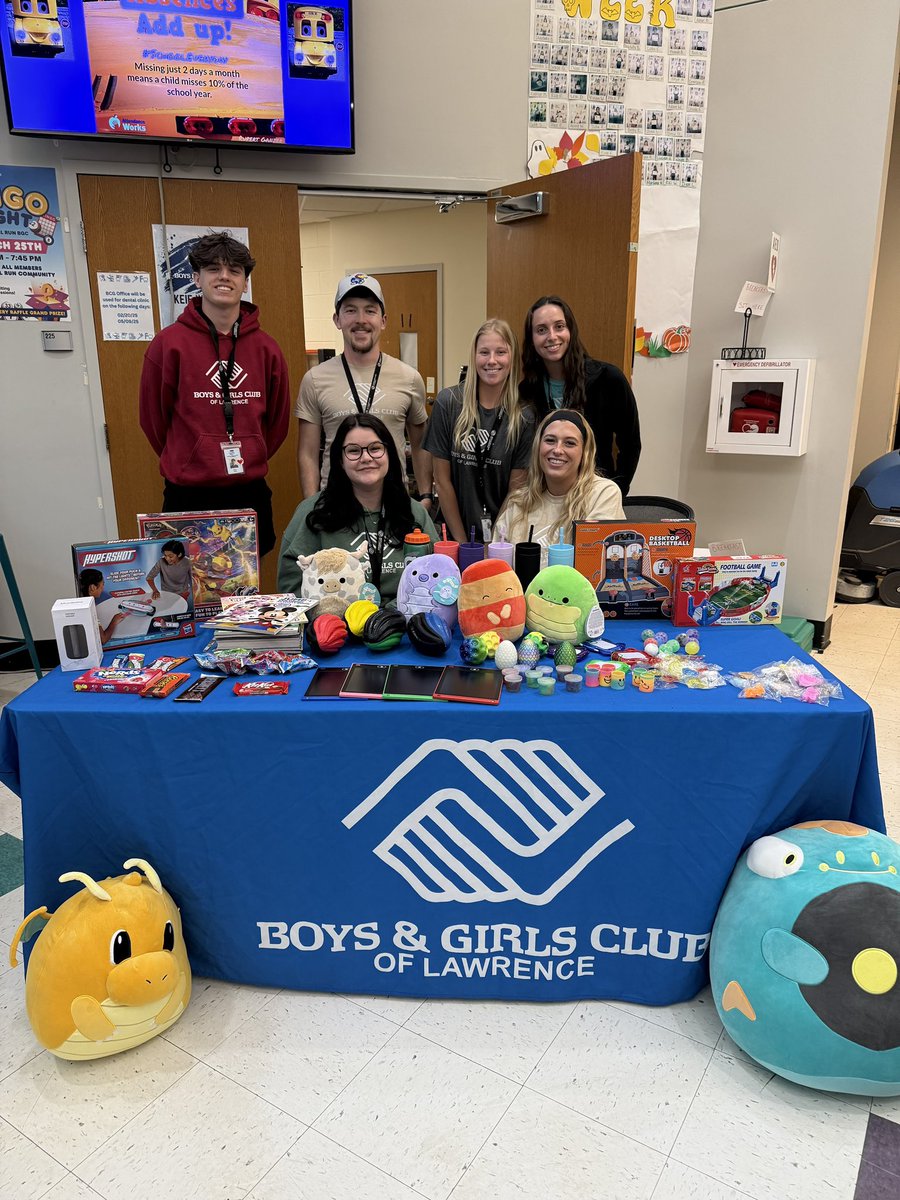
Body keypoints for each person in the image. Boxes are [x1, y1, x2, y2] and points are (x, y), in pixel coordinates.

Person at [139, 232, 290, 557]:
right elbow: (153, 420)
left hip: (248, 490)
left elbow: (277, 423)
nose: (224, 276)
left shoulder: (267, 349)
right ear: (196, 277)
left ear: (245, 282)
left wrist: (251, 450)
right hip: (188, 493)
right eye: (213, 269)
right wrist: (192, 456)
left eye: (234, 270)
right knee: (187, 586)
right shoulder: (169, 344)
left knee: (247, 595)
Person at [295, 273, 434, 512]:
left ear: (383, 320)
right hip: (334, 506)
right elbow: (307, 453)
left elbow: (420, 444)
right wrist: (311, 505)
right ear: (337, 319)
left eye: (370, 310)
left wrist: (425, 495)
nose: (361, 320)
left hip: (394, 505)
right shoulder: (315, 380)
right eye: (350, 310)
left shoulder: (409, 378)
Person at [278, 413, 438, 605]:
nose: (366, 458)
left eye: (375, 448)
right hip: (335, 627)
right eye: (354, 451)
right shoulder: (313, 513)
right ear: (340, 460)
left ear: (390, 454)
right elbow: (290, 587)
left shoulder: (414, 512)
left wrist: (393, 615)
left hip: (403, 624)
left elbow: (437, 575)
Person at [423, 319, 536, 545]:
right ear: (474, 357)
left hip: (502, 536)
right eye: (484, 352)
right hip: (452, 534)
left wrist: (492, 543)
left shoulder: (524, 415)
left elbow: (516, 490)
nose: (492, 360)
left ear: (512, 358)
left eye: (501, 352)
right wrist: (463, 543)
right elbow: (442, 481)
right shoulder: (449, 403)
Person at [521, 295, 641, 497]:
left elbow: (631, 444)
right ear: (532, 339)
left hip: (595, 498)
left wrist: (616, 492)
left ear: (571, 330)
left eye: (559, 326)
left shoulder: (608, 379)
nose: (552, 336)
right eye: (541, 330)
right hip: (546, 497)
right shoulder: (526, 391)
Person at [496, 410, 624, 567]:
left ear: (585, 452)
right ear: (538, 448)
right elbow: (497, 571)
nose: (557, 450)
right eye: (550, 440)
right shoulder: (518, 502)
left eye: (569, 443)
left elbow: (595, 568)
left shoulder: (603, 494)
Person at [78, 568, 125, 645]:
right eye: (102, 584)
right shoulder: (89, 608)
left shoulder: (81, 602)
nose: (103, 588)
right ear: (92, 587)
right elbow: (103, 639)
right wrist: (114, 621)